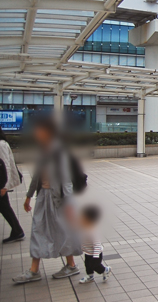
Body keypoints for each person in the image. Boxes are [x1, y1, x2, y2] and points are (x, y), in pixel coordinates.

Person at [13, 117, 83, 284]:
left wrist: (68, 203)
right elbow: (37, 175)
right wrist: (29, 196)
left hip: (58, 200)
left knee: (63, 232)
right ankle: (34, 270)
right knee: (38, 230)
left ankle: (71, 265)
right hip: (44, 197)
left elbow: (66, 179)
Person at [0, 127, 25, 243]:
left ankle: (17, 231)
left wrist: (5, 186)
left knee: (5, 207)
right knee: (5, 207)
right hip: (2, 182)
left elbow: (6, 165)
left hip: (1, 183)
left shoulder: (1, 145)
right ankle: (17, 230)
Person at [78, 205, 112, 284]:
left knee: (95, 265)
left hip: (95, 253)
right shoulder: (83, 227)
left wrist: (95, 255)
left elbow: (97, 244)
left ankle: (105, 270)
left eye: (83, 218)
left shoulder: (93, 231)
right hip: (87, 252)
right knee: (87, 265)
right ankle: (90, 276)